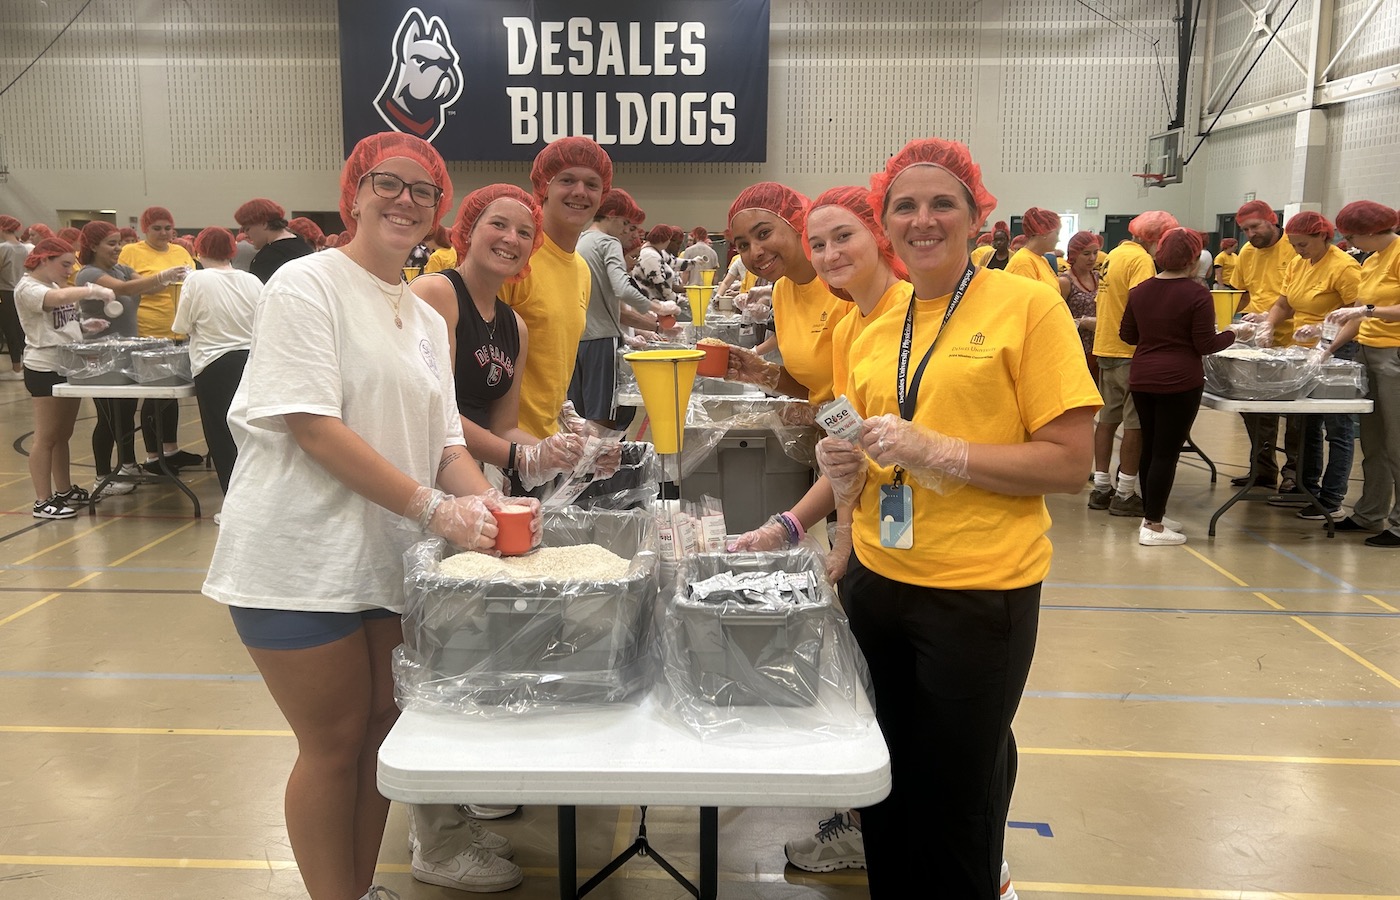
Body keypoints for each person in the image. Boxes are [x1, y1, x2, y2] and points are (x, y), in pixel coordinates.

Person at [202, 132, 535, 900]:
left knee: (380, 731)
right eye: (391, 183)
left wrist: (487, 500)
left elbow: (447, 442)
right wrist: (434, 508)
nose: (406, 200)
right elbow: (314, 427)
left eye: (424, 192)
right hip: (298, 559)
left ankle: (354, 888)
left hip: (384, 561)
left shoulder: (421, 320)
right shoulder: (308, 284)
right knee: (330, 743)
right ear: (355, 192)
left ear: (437, 212)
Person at [815, 137, 1099, 899]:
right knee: (882, 789)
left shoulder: (1027, 305)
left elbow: (1072, 462)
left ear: (978, 216)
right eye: (904, 205)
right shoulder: (877, 323)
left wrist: (950, 453)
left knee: (955, 806)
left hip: (978, 596)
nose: (923, 218)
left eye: (943, 202)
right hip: (878, 583)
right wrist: (846, 485)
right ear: (885, 224)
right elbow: (872, 447)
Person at [409, 183, 589, 890]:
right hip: (429, 481)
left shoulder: (511, 322)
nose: (512, 239)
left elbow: (506, 424)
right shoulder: (434, 295)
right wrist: (512, 466)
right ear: (467, 227)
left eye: (523, 231)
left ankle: (467, 793)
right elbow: (438, 418)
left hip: (475, 480)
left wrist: (548, 452)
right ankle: (434, 836)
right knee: (431, 644)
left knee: (476, 636)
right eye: (498, 225)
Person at [1119, 228, 1251, 545]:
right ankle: (1152, 525)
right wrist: (1236, 333)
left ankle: (1153, 514)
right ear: (1194, 260)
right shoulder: (1196, 294)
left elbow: (1128, 335)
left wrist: (1156, 336)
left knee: (1151, 447)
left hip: (1142, 377)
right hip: (1179, 381)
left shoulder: (1140, 291)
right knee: (1167, 452)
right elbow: (1205, 343)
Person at [501, 135, 613, 442]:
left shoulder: (581, 270)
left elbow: (551, 361)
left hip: (544, 442)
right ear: (543, 187)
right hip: (501, 446)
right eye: (567, 179)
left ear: (602, 195)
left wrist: (562, 412)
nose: (580, 192)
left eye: (592, 184)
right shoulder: (516, 257)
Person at [1253, 211, 1361, 519]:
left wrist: (1327, 340)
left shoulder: (1344, 267)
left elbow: (1356, 315)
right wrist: (1269, 325)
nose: (1299, 251)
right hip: (1303, 351)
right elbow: (1285, 303)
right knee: (1306, 423)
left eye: (1303, 245)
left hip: (1339, 351)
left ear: (1323, 236)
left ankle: (1333, 496)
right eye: (1294, 245)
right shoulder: (1298, 264)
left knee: (1337, 427)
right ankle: (1306, 485)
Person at [73, 221, 186, 496]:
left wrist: (177, 278)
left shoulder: (121, 269)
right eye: (111, 243)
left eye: (119, 242)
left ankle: (126, 464)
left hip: (125, 353)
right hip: (100, 356)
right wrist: (162, 275)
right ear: (93, 246)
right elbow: (123, 290)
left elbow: (144, 287)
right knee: (108, 417)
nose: (118, 248)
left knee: (125, 413)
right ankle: (102, 474)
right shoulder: (88, 273)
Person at [722, 182, 853, 405]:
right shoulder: (782, 290)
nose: (755, 252)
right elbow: (817, 388)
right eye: (743, 245)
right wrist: (761, 372)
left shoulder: (845, 283)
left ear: (797, 223)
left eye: (764, 233)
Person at [14, 238, 118, 518]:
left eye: (72, 264)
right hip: (44, 367)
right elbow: (54, 302)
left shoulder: (55, 285)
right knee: (46, 436)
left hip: (66, 365)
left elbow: (58, 320)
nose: (69, 270)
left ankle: (63, 490)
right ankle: (41, 499)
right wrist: (89, 290)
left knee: (63, 435)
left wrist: (83, 326)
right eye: (64, 264)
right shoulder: (29, 288)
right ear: (43, 259)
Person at [1319, 201, 1400, 546]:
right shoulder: (1371, 260)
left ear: (1369, 231)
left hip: (1393, 354)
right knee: (1374, 441)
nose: (1349, 242)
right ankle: (1371, 512)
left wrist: (1369, 310)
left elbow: (1373, 310)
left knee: (1397, 442)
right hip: (1368, 353)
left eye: (1351, 236)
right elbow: (1357, 315)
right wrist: (1328, 347)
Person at [1090, 210, 1178, 516]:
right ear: (1155, 239)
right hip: (1129, 351)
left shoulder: (1113, 255)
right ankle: (1125, 493)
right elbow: (1146, 302)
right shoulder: (1141, 260)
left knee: (1107, 420)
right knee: (1134, 424)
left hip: (1106, 347)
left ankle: (1101, 488)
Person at [171, 226, 263, 495]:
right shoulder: (251, 280)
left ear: (198, 251)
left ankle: (233, 501)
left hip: (214, 364)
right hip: (251, 361)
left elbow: (182, 325)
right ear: (232, 251)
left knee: (222, 437)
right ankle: (256, 496)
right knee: (250, 435)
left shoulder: (197, 280)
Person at [571, 188, 669, 430]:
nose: (626, 230)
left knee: (581, 416)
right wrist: (658, 307)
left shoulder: (579, 241)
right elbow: (622, 288)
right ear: (611, 216)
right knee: (603, 419)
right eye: (625, 223)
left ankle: (586, 466)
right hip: (602, 338)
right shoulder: (608, 242)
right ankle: (601, 466)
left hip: (577, 339)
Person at [117, 207, 200, 472]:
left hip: (179, 329)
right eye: (157, 228)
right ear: (145, 229)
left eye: (168, 228)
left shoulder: (180, 251)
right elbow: (134, 286)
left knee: (170, 395)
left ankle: (171, 449)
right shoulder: (132, 252)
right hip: (149, 329)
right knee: (153, 394)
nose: (164, 233)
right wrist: (163, 280)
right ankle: (154, 455)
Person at [1232, 200, 1301, 491]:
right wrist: (1237, 322)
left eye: (1255, 227)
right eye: (1245, 229)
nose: (1250, 234)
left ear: (1273, 221)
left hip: (1295, 340)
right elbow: (1242, 294)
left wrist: (1271, 318)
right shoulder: (1247, 253)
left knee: (1298, 416)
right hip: (1258, 342)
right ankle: (1262, 469)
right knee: (1255, 409)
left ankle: (1294, 472)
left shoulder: (1295, 248)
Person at [234, 198, 314, 283]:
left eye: (247, 229)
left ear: (264, 224)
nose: (246, 234)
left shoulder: (267, 258)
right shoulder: (303, 245)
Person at [1059, 229, 1101, 380]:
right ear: (1074, 254)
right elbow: (1057, 318)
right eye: (1086, 254)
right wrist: (1081, 322)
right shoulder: (1065, 281)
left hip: (1099, 348)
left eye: (1095, 253)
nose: (1092, 258)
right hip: (1075, 348)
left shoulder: (1099, 277)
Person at [1, 214, 32, 380]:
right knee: (20, 329)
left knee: (9, 329)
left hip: (5, 292)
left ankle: (15, 368)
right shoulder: (23, 247)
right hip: (20, 291)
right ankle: (23, 365)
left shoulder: (4, 248)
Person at [1004, 207, 1061, 290]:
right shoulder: (1023, 262)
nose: (1058, 240)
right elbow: (1027, 299)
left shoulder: (1042, 260)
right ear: (1043, 231)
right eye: (1057, 233)